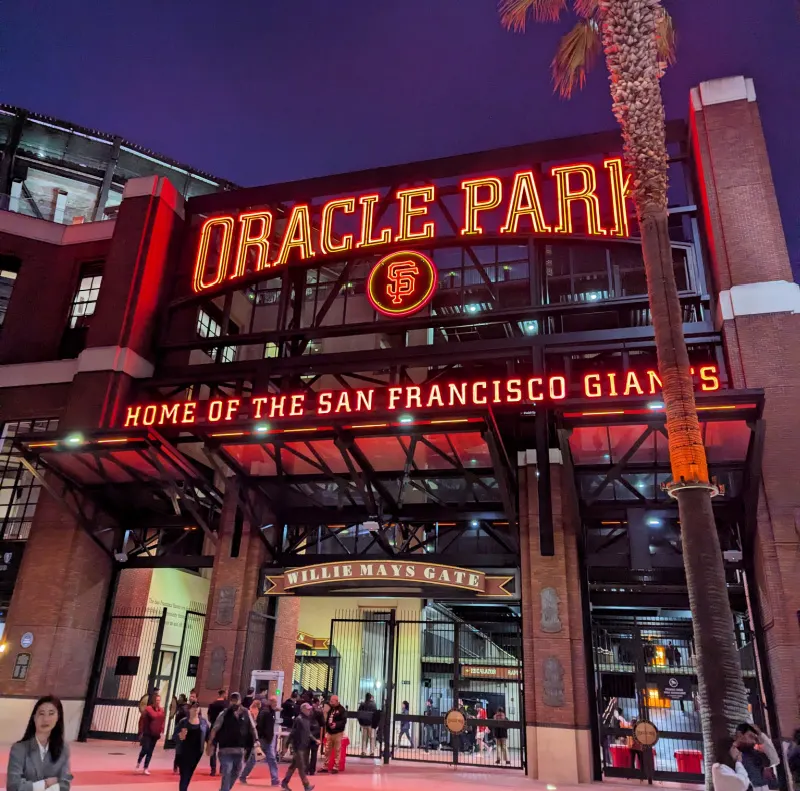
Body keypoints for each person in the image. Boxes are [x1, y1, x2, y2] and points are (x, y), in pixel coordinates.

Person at [6, 695, 72, 791]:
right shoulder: (19, 749)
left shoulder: (63, 749)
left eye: (51, 713)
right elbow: (13, 786)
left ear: (58, 717)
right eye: (41, 713)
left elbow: (65, 784)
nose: (46, 719)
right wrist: (45, 784)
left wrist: (33, 786)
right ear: (34, 717)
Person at [208, 692, 261, 791]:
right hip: (225, 748)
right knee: (227, 770)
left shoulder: (246, 713)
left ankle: (225, 789)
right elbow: (215, 728)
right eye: (232, 700)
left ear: (240, 700)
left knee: (237, 772)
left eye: (236, 700)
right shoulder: (224, 713)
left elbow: (253, 728)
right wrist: (210, 743)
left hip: (240, 749)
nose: (234, 702)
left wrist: (256, 740)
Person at [240, 694, 280, 787]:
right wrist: (258, 739)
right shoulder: (265, 712)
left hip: (267, 739)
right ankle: (243, 776)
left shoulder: (270, 712)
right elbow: (259, 726)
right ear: (270, 702)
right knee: (254, 759)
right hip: (263, 739)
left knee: (269, 759)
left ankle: (275, 780)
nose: (275, 704)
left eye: (276, 702)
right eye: (274, 702)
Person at [734, 722, 780, 791]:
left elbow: (774, 760)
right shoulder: (734, 754)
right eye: (751, 737)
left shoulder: (757, 754)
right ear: (739, 735)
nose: (754, 741)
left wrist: (761, 735)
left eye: (755, 738)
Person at [282, 702, 317, 791]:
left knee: (293, 766)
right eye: (308, 709)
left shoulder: (306, 720)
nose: (309, 711)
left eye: (310, 709)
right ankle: (306, 785)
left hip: (303, 746)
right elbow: (293, 732)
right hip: (298, 746)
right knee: (301, 767)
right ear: (303, 710)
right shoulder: (299, 719)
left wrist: (315, 740)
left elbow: (308, 732)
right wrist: (287, 744)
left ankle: (284, 782)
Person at [175, 701, 209, 791]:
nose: (195, 709)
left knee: (189, 773)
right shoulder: (183, 722)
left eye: (197, 707)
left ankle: (184, 788)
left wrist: (210, 746)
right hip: (183, 752)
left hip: (197, 752)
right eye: (193, 707)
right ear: (189, 709)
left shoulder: (203, 722)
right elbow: (175, 735)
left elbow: (207, 736)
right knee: (184, 773)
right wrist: (180, 736)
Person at [137, 692, 165, 775]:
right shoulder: (148, 709)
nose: (158, 702)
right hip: (147, 733)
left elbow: (162, 720)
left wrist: (161, 729)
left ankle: (146, 767)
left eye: (159, 700)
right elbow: (142, 720)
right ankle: (139, 760)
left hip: (155, 734)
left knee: (150, 751)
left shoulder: (161, 710)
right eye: (157, 700)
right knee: (145, 749)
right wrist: (140, 731)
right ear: (154, 701)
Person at [319, 694, 347, 774]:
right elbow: (327, 719)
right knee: (327, 750)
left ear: (336, 701)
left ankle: (336, 767)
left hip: (338, 733)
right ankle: (325, 766)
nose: (331, 702)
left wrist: (336, 725)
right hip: (330, 732)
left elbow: (344, 721)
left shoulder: (342, 710)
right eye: (330, 701)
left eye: (332, 701)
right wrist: (328, 727)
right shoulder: (331, 709)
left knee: (337, 750)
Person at [207, 689, 228, 777]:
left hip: (214, 728)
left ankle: (213, 769)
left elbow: (209, 717)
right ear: (224, 694)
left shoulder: (212, 704)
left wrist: (213, 722)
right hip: (224, 729)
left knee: (213, 748)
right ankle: (222, 769)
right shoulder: (226, 704)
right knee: (223, 750)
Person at [279, 692, 300, 761]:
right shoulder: (293, 705)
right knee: (288, 739)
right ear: (296, 697)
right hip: (290, 724)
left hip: (284, 723)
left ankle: (283, 753)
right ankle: (284, 753)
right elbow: (295, 714)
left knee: (285, 738)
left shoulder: (285, 703)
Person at [307, 698, 325, 775]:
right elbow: (323, 723)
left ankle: (305, 769)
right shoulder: (319, 712)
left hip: (307, 732)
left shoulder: (306, 711)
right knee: (314, 753)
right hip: (316, 733)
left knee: (306, 752)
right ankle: (312, 770)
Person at [357, 692, 377, 757]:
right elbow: (376, 714)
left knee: (364, 739)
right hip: (371, 724)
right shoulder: (373, 704)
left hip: (364, 724)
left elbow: (359, 714)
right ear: (370, 697)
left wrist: (360, 722)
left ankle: (363, 751)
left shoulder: (362, 704)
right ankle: (372, 752)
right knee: (372, 738)